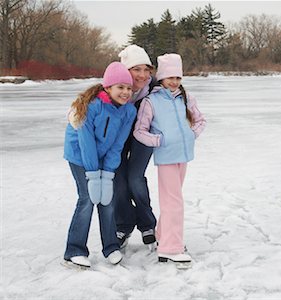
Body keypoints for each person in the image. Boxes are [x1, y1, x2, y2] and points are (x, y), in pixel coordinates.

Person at [63, 62, 137, 268]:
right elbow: (86, 142)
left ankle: (111, 246)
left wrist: (108, 172)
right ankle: (74, 251)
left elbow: (117, 145)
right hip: (79, 154)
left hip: (104, 155)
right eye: (120, 87)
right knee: (87, 197)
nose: (125, 92)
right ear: (108, 87)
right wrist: (94, 174)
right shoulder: (92, 106)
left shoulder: (128, 112)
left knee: (107, 199)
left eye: (129, 88)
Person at [134, 53, 206, 264]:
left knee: (171, 200)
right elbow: (139, 131)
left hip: (183, 156)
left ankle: (162, 236)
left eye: (178, 78)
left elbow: (200, 120)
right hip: (166, 157)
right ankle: (170, 248)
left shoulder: (186, 98)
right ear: (162, 77)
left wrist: (192, 133)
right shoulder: (151, 101)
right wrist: (159, 140)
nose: (174, 82)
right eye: (170, 77)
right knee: (173, 202)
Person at [113, 44, 158, 249]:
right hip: (118, 140)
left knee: (135, 179)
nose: (142, 75)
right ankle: (124, 224)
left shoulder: (155, 87)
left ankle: (148, 225)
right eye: (136, 69)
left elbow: (178, 100)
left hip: (143, 136)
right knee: (119, 183)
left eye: (145, 69)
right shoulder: (115, 86)